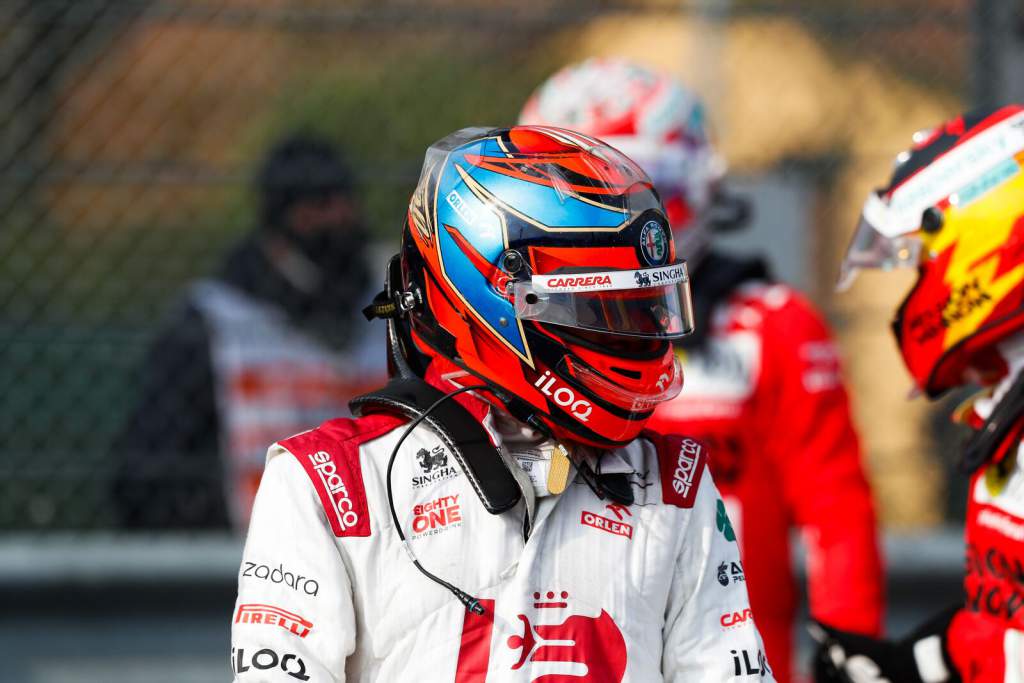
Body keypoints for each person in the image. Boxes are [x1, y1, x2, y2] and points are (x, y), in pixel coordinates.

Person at [230, 125, 775, 681]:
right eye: (603, 311)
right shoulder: (328, 482)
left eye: (641, 307)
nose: (634, 337)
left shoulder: (675, 482)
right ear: (492, 297)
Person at [520, 58, 884, 682]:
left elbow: (838, 519)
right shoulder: (513, 334)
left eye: (647, 186)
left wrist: (849, 659)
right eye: (582, 193)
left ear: (702, 187)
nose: (620, 217)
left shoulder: (775, 327)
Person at [814, 105, 1024, 682]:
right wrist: (906, 666)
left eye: (924, 256)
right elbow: (1004, 621)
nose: (921, 277)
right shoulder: (1010, 398)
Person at [113, 134, 385, 529]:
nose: (339, 217)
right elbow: (150, 471)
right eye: (320, 205)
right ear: (283, 220)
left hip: (373, 544)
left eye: (345, 201)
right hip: (249, 559)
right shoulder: (216, 320)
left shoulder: (385, 307)